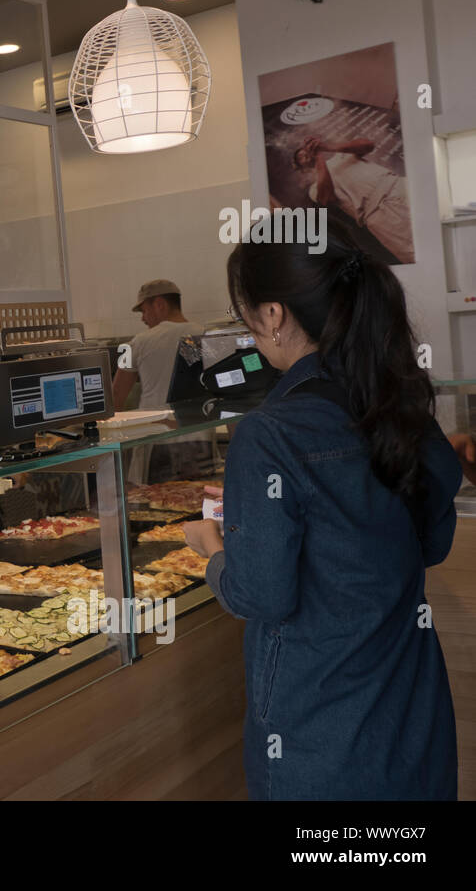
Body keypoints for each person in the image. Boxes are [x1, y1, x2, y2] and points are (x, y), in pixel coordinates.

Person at [182, 229, 461, 800]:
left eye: (246, 317)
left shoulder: (270, 433)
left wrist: (213, 549)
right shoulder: (400, 401)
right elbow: (427, 542)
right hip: (410, 698)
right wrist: (264, 507)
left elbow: (261, 594)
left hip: (319, 718)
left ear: (275, 313)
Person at [293, 135, 414, 263]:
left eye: (305, 151)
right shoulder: (314, 188)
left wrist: (327, 147)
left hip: (399, 186)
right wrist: (318, 157)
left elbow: (368, 144)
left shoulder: (341, 155)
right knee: (415, 251)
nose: (304, 154)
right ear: (302, 168)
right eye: (300, 157)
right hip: (379, 215)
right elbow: (327, 197)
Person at [111, 280, 198, 410]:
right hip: (199, 426)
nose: (143, 318)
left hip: (153, 427)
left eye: (144, 311)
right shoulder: (201, 335)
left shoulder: (138, 342)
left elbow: (116, 394)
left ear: (159, 304)